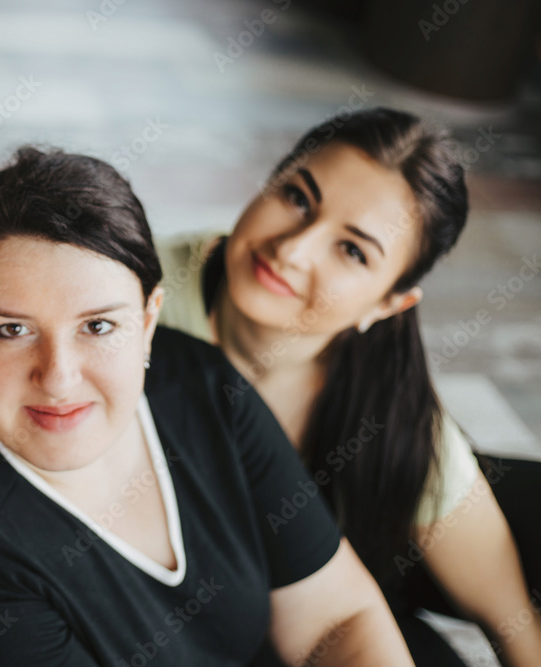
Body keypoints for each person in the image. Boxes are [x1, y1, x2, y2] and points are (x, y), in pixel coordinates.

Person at [0, 146, 415, 665]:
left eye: (98, 326)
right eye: (13, 329)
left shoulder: (202, 385)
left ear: (148, 321)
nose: (59, 377)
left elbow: (337, 621)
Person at [155, 107, 541, 666]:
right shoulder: (138, 299)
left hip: (369, 565)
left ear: (389, 304)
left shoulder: (388, 393)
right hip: (246, 607)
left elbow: (512, 624)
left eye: (352, 250)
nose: (293, 249)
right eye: (297, 197)